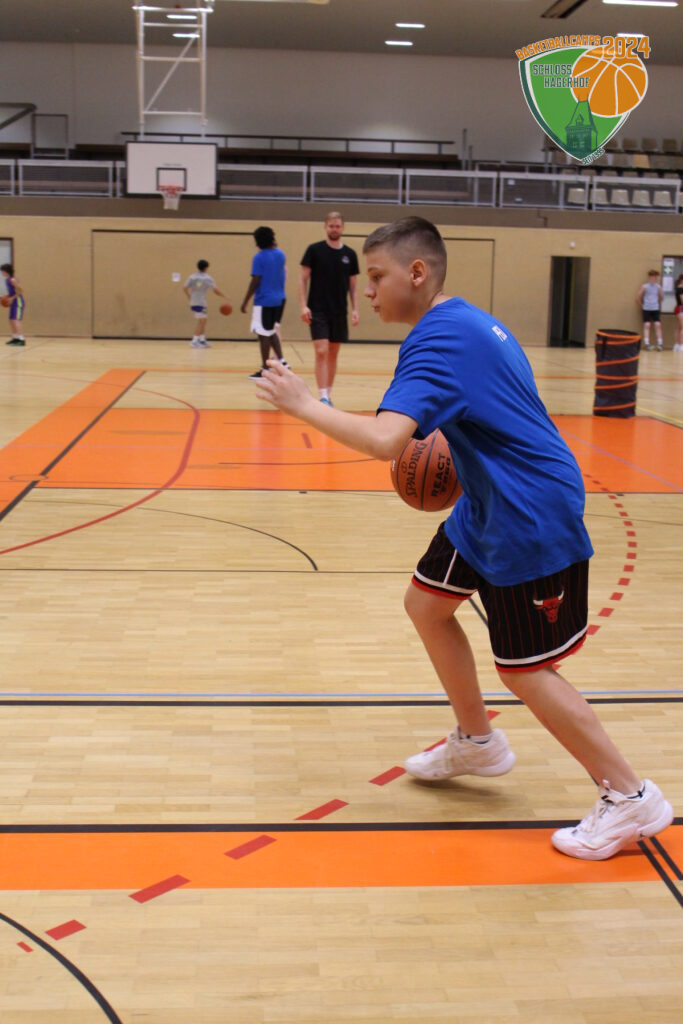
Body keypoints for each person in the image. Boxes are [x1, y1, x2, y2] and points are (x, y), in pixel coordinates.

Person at [255, 216, 673, 861]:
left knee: (526, 671)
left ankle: (629, 795)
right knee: (427, 604)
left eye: (377, 277)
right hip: (486, 502)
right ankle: (479, 743)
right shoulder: (466, 319)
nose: (369, 290)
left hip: (528, 512)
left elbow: (386, 442)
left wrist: (305, 404)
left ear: (417, 273)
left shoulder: (437, 343)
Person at [299, 212, 360, 406]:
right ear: (325, 227)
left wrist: (355, 309)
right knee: (322, 350)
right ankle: (323, 396)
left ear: (343, 228)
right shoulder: (314, 250)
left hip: (339, 310)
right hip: (317, 309)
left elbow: (353, 286)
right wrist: (303, 305)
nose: (334, 229)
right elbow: (302, 279)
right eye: (331, 226)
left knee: (333, 352)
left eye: (338, 226)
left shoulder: (350, 254)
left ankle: (328, 395)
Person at [240, 226, 289, 379]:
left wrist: (245, 301)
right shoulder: (280, 254)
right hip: (279, 299)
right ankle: (282, 362)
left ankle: (265, 369)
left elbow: (256, 280)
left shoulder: (259, 257)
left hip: (264, 300)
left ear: (259, 241)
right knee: (271, 331)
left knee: (263, 335)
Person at [183, 259, 226, 349]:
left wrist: (189, 296)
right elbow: (215, 290)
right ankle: (194, 341)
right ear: (206, 268)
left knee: (202, 321)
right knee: (202, 322)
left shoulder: (192, 277)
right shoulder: (207, 278)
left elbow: (185, 287)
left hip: (194, 302)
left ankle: (202, 340)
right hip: (200, 302)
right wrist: (224, 296)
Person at [636, 269, 664, 351]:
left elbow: (661, 297)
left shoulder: (658, 287)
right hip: (646, 308)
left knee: (658, 325)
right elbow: (638, 297)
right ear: (649, 277)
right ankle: (647, 343)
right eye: (653, 277)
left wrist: (657, 303)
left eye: (656, 277)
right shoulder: (645, 286)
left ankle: (660, 344)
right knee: (647, 325)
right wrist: (642, 305)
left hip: (655, 308)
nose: (654, 278)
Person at [2, 263, 26, 347]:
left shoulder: (13, 280)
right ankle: (15, 338)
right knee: (11, 320)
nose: (2, 273)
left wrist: (12, 298)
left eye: (3, 271)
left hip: (18, 301)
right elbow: (11, 292)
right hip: (13, 302)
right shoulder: (7, 280)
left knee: (16, 320)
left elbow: (21, 291)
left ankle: (21, 339)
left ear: (6, 271)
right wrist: (5, 296)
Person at [673, 274, 683, 353]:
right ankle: (681, 345)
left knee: (679, 327)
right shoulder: (680, 288)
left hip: (678, 308)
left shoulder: (678, 288)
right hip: (680, 309)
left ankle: (676, 345)